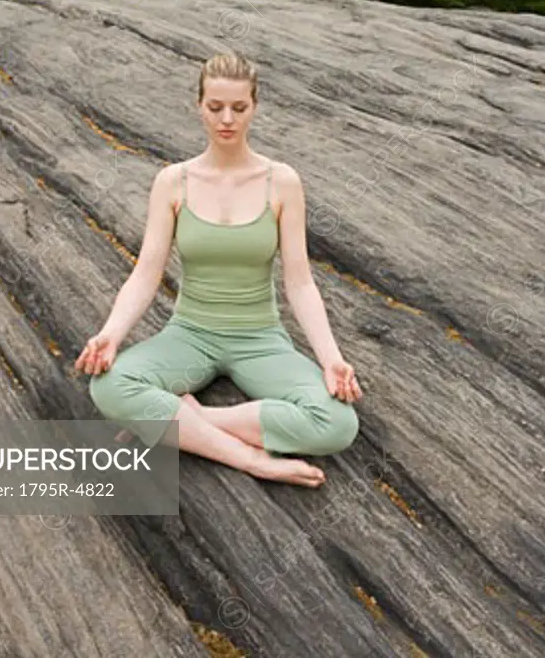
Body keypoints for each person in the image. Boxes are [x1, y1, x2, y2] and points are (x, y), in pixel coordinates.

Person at [75, 51, 362, 488]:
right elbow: (146, 273)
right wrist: (111, 334)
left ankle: (195, 420)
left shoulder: (282, 182)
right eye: (215, 107)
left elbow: (300, 283)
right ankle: (250, 459)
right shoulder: (173, 181)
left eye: (239, 108)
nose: (226, 118)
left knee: (338, 423)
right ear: (199, 106)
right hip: (189, 334)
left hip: (261, 340)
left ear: (255, 107)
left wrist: (331, 359)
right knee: (108, 386)